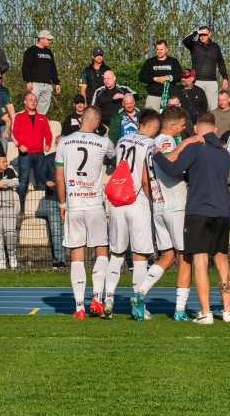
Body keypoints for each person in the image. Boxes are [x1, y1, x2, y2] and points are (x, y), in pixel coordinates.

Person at [151, 113, 230, 325]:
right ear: (215, 130)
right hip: (221, 210)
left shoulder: (194, 147)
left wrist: (157, 154)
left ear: (196, 131)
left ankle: (205, 312)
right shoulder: (223, 153)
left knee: (200, 262)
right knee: (221, 260)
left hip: (199, 211)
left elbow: (173, 168)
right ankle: (228, 310)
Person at [132, 106, 194, 321]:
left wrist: (154, 198)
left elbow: (142, 176)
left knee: (167, 257)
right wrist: (187, 144)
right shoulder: (166, 142)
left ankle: (140, 293)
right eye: (182, 125)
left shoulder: (150, 145)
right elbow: (170, 161)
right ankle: (179, 310)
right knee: (186, 257)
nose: (184, 128)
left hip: (158, 206)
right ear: (171, 125)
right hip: (175, 205)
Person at [55, 106, 115, 318]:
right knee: (101, 249)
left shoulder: (64, 142)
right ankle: (97, 299)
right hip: (94, 204)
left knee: (77, 253)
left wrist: (62, 204)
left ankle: (79, 307)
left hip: (74, 204)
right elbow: (114, 155)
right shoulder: (102, 141)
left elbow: (59, 178)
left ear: (81, 118)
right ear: (97, 122)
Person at [105, 109, 160, 320]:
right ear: (154, 125)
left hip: (119, 200)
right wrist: (153, 200)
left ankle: (108, 298)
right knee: (139, 255)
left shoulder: (123, 140)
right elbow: (146, 178)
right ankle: (138, 306)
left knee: (116, 254)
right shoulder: (149, 144)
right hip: (138, 202)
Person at [11, 92, 52, 206]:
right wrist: (19, 145)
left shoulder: (42, 118)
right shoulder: (19, 117)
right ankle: (22, 206)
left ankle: (42, 206)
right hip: (25, 154)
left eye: (35, 100)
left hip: (39, 153)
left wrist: (48, 144)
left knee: (41, 180)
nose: (33, 102)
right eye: (30, 100)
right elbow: (14, 134)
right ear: (25, 101)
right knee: (23, 181)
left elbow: (48, 133)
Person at [34, 146, 65, 268]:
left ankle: (66, 259)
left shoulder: (71, 158)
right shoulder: (48, 158)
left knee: (65, 230)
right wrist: (46, 181)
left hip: (68, 198)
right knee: (56, 230)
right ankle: (59, 260)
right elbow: (40, 174)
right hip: (52, 197)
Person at [182, 26, 229, 105]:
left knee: (213, 108)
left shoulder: (215, 47)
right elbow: (185, 41)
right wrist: (196, 32)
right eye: (201, 35)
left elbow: (221, 63)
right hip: (197, 81)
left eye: (205, 34)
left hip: (212, 81)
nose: (202, 37)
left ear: (209, 35)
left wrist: (225, 78)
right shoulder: (193, 45)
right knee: (195, 106)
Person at [21, 30, 61, 115]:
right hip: (35, 84)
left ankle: (39, 122)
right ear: (41, 39)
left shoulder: (48, 52)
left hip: (47, 84)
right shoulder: (31, 51)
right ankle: (28, 124)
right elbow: (26, 67)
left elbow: (53, 68)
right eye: (48, 39)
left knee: (43, 108)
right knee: (31, 105)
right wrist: (28, 81)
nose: (50, 41)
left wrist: (56, 82)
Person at [139, 40, 183, 111]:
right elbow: (142, 77)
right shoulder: (150, 62)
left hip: (170, 97)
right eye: (157, 49)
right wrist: (154, 78)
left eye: (161, 49)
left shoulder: (173, 61)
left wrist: (168, 78)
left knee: (170, 120)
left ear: (166, 49)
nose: (159, 51)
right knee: (150, 118)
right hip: (153, 95)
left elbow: (180, 76)